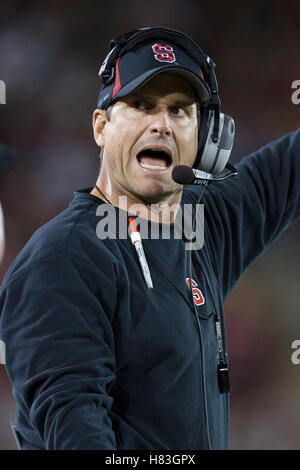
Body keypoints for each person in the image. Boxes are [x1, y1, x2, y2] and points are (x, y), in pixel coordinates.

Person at [0, 27, 299, 451]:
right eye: (141, 105)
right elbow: (75, 428)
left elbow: (288, 169)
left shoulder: (204, 225)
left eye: (180, 111)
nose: (161, 124)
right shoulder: (62, 260)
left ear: (206, 138)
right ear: (101, 127)